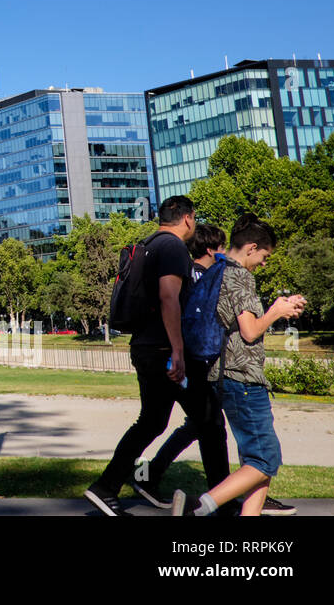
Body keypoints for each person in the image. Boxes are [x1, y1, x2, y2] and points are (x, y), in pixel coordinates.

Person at [173, 215, 305, 516]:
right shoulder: (240, 276)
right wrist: (276, 311)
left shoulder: (215, 271)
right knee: (265, 459)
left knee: (255, 461)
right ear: (252, 248)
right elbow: (250, 330)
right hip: (242, 378)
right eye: (264, 256)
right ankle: (198, 507)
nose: (264, 263)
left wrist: (280, 310)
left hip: (222, 377)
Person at [84, 195, 202, 516]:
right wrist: (178, 350)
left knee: (152, 422)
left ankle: (108, 487)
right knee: (207, 419)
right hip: (164, 349)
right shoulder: (173, 248)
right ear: (187, 218)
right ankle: (224, 502)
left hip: (145, 346)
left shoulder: (149, 244)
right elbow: (169, 297)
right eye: (194, 219)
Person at [131, 224, 231, 508]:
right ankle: (222, 496)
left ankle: (146, 476)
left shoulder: (186, 271)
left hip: (177, 356)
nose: (223, 253)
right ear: (212, 249)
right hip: (190, 359)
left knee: (184, 423)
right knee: (206, 423)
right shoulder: (206, 278)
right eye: (221, 248)